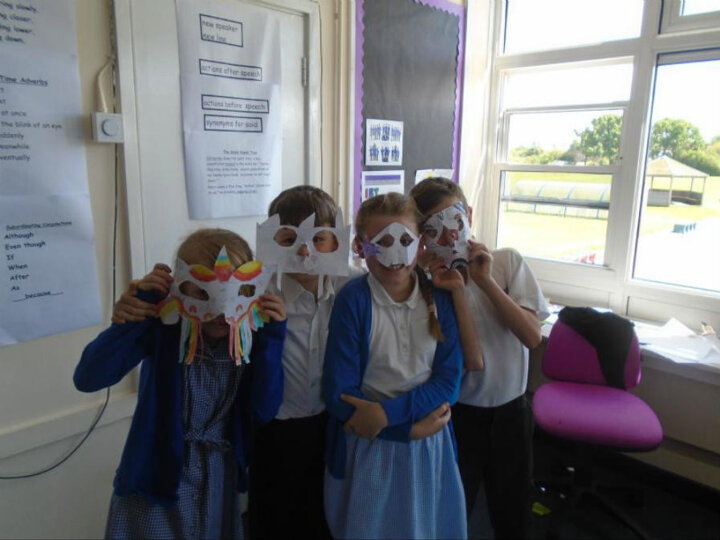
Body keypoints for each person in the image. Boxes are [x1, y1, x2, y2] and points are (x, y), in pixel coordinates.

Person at [73, 228, 287, 540]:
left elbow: (264, 409)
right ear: (178, 288)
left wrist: (273, 339)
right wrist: (134, 316)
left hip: (217, 480)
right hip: (154, 477)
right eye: (203, 293)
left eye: (231, 292)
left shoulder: (250, 336)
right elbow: (89, 377)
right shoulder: (163, 328)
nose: (219, 309)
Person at [410, 177, 550, 540]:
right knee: (456, 505)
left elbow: (532, 336)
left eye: (454, 221)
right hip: (459, 414)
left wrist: (484, 280)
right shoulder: (427, 283)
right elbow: (463, 359)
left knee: (513, 508)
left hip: (511, 410)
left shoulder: (506, 262)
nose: (448, 237)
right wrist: (422, 276)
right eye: (433, 230)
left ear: (468, 215)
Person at [323, 192, 467, 540]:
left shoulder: (440, 300)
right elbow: (339, 393)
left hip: (428, 441)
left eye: (404, 241)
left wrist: (388, 416)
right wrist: (402, 430)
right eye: (382, 243)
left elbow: (449, 381)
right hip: (370, 443)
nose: (394, 254)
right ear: (361, 247)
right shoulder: (353, 300)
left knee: (425, 526)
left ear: (420, 245)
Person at [248, 185, 361, 540]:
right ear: (272, 240)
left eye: (319, 239)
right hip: (275, 429)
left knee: (325, 517)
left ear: (336, 241)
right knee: (274, 518)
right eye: (288, 239)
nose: (303, 250)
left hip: (332, 424)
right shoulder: (257, 291)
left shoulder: (353, 285)